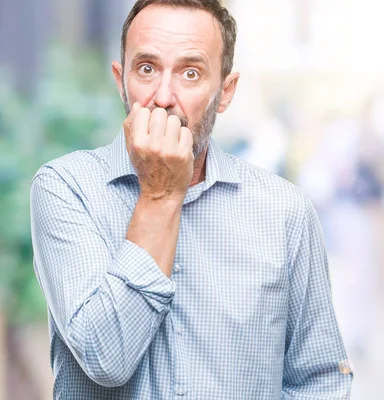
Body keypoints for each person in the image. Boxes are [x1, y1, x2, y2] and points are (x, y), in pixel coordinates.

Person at [29, 1, 353, 398]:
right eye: (146, 69)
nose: (163, 97)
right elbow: (104, 357)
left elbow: (319, 381)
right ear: (121, 80)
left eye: (190, 73)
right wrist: (160, 193)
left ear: (224, 92)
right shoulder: (65, 189)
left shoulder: (285, 211)